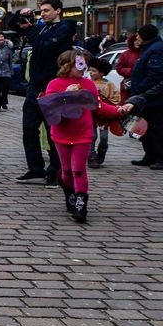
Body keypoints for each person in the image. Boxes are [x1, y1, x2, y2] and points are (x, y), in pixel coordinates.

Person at [43, 51, 119, 222]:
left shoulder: (88, 84)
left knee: (78, 169)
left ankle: (81, 204)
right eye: (79, 64)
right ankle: (69, 193)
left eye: (85, 64)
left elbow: (98, 106)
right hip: (61, 133)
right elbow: (50, 108)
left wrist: (118, 110)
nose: (83, 68)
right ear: (67, 65)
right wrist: (66, 95)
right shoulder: (55, 83)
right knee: (67, 170)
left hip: (83, 133)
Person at [10, 0, 76, 187]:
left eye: (47, 10)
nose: (43, 14)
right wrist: (20, 14)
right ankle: (35, 169)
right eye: (41, 11)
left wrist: (31, 30)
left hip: (52, 87)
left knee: (52, 131)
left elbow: (45, 46)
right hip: (35, 87)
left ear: (58, 11)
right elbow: (13, 26)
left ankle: (55, 172)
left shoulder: (65, 28)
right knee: (29, 129)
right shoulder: (41, 28)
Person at [127, 24, 163, 169]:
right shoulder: (148, 48)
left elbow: (155, 75)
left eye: (138, 34)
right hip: (145, 98)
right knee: (145, 128)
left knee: (156, 129)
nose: (136, 37)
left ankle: (160, 158)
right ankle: (150, 156)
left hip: (153, 98)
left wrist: (140, 90)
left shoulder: (157, 49)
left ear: (145, 36)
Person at [87, 57, 120, 169]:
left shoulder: (109, 84)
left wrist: (112, 107)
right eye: (90, 70)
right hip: (90, 114)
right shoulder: (87, 83)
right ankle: (91, 157)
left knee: (104, 136)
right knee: (92, 136)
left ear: (102, 73)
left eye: (94, 71)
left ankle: (102, 151)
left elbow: (115, 98)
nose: (91, 72)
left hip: (104, 115)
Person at [115, 33, 141, 103]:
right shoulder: (125, 54)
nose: (137, 42)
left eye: (138, 40)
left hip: (142, 83)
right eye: (135, 40)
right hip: (128, 84)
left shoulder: (146, 53)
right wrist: (130, 71)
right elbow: (119, 68)